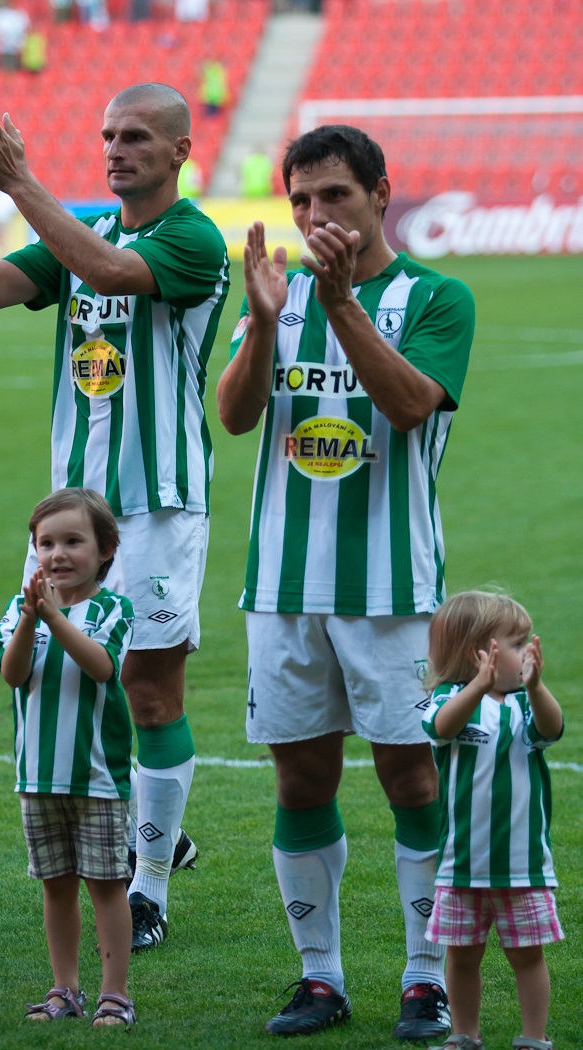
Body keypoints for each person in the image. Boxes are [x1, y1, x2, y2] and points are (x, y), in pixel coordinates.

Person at [0, 82, 230, 952]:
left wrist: (21, 181)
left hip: (158, 504)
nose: (117, 148)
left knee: (148, 688)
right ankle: (157, 831)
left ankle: (149, 889)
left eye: (137, 135)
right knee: (66, 677)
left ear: (180, 149)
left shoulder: (191, 237)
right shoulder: (84, 230)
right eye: (107, 134)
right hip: (74, 511)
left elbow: (112, 277)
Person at [216, 124, 475, 1038]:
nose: (318, 214)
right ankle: (320, 978)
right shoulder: (280, 297)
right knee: (302, 783)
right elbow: (237, 417)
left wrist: (340, 308)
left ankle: (423, 976)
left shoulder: (439, 298)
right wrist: (260, 319)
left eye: (335, 196)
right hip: (284, 591)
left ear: (380, 194)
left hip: (395, 594)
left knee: (411, 779)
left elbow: (409, 408)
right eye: (302, 200)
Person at [0, 488, 137, 1026]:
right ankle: (64, 989)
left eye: (73, 541)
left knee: (105, 886)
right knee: (55, 887)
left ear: (105, 549)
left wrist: (55, 618)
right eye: (45, 543)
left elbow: (101, 667)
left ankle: (115, 993)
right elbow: (13, 674)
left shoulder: (113, 609)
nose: (57, 554)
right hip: (37, 778)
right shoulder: (18, 610)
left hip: (96, 779)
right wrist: (34, 618)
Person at [422, 591, 564, 1050]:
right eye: (518, 643)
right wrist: (477, 687)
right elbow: (442, 727)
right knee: (462, 957)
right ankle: (464, 1034)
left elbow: (552, 728)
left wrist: (537, 686)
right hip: (463, 865)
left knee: (527, 955)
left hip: (522, 867)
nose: (528, 652)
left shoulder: (525, 704)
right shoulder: (448, 699)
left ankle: (533, 1037)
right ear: (480, 654)